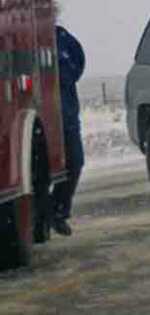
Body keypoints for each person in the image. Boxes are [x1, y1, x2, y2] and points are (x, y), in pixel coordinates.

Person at [51, 24, 86, 236]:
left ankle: (58, 211)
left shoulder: (61, 37)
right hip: (43, 121)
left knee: (75, 161)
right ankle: (42, 216)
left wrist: (65, 76)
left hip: (67, 118)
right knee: (40, 172)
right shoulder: (27, 36)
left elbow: (78, 62)